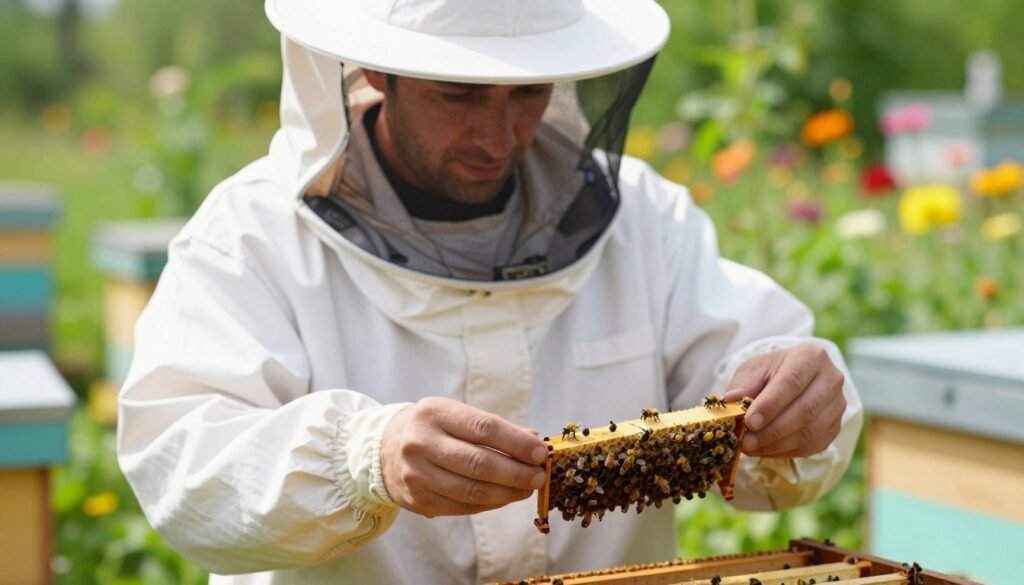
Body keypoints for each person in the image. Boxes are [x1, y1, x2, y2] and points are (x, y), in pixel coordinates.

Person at [117, 1, 864, 583]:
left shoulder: (647, 221)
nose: (500, 135)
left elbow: (755, 365)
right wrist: (359, 458)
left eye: (528, 92)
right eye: (459, 96)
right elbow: (182, 466)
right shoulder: (252, 235)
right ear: (375, 71)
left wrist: (796, 392)